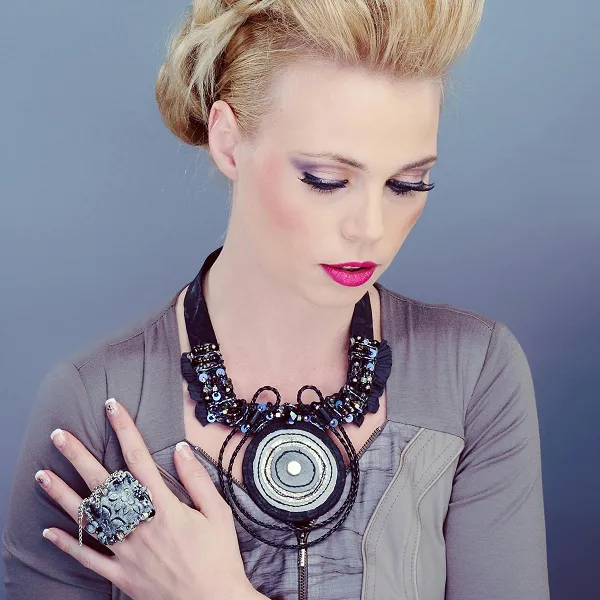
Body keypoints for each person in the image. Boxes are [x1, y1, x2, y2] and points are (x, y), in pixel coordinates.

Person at [2, 0, 551, 598]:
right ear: (228, 142)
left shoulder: (473, 373)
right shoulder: (97, 402)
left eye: (406, 183)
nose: (370, 228)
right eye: (326, 180)